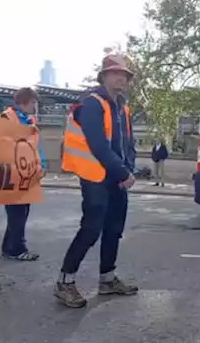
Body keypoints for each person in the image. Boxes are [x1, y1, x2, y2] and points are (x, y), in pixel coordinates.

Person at [54, 53, 139, 309]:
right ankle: (64, 282)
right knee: (91, 229)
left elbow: (127, 144)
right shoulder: (92, 103)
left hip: (115, 179)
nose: (121, 78)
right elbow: (99, 145)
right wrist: (123, 173)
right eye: (115, 73)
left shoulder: (121, 108)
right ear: (103, 76)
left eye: (124, 74)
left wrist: (128, 169)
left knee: (114, 229)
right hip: (95, 177)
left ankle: (107, 280)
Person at [1, 88, 43, 262]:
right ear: (23, 102)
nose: (35, 106)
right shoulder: (7, 118)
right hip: (11, 173)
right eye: (33, 102)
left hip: (25, 172)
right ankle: (18, 249)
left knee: (21, 211)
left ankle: (8, 247)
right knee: (17, 211)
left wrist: (40, 166)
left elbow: (33, 147)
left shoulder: (29, 120)